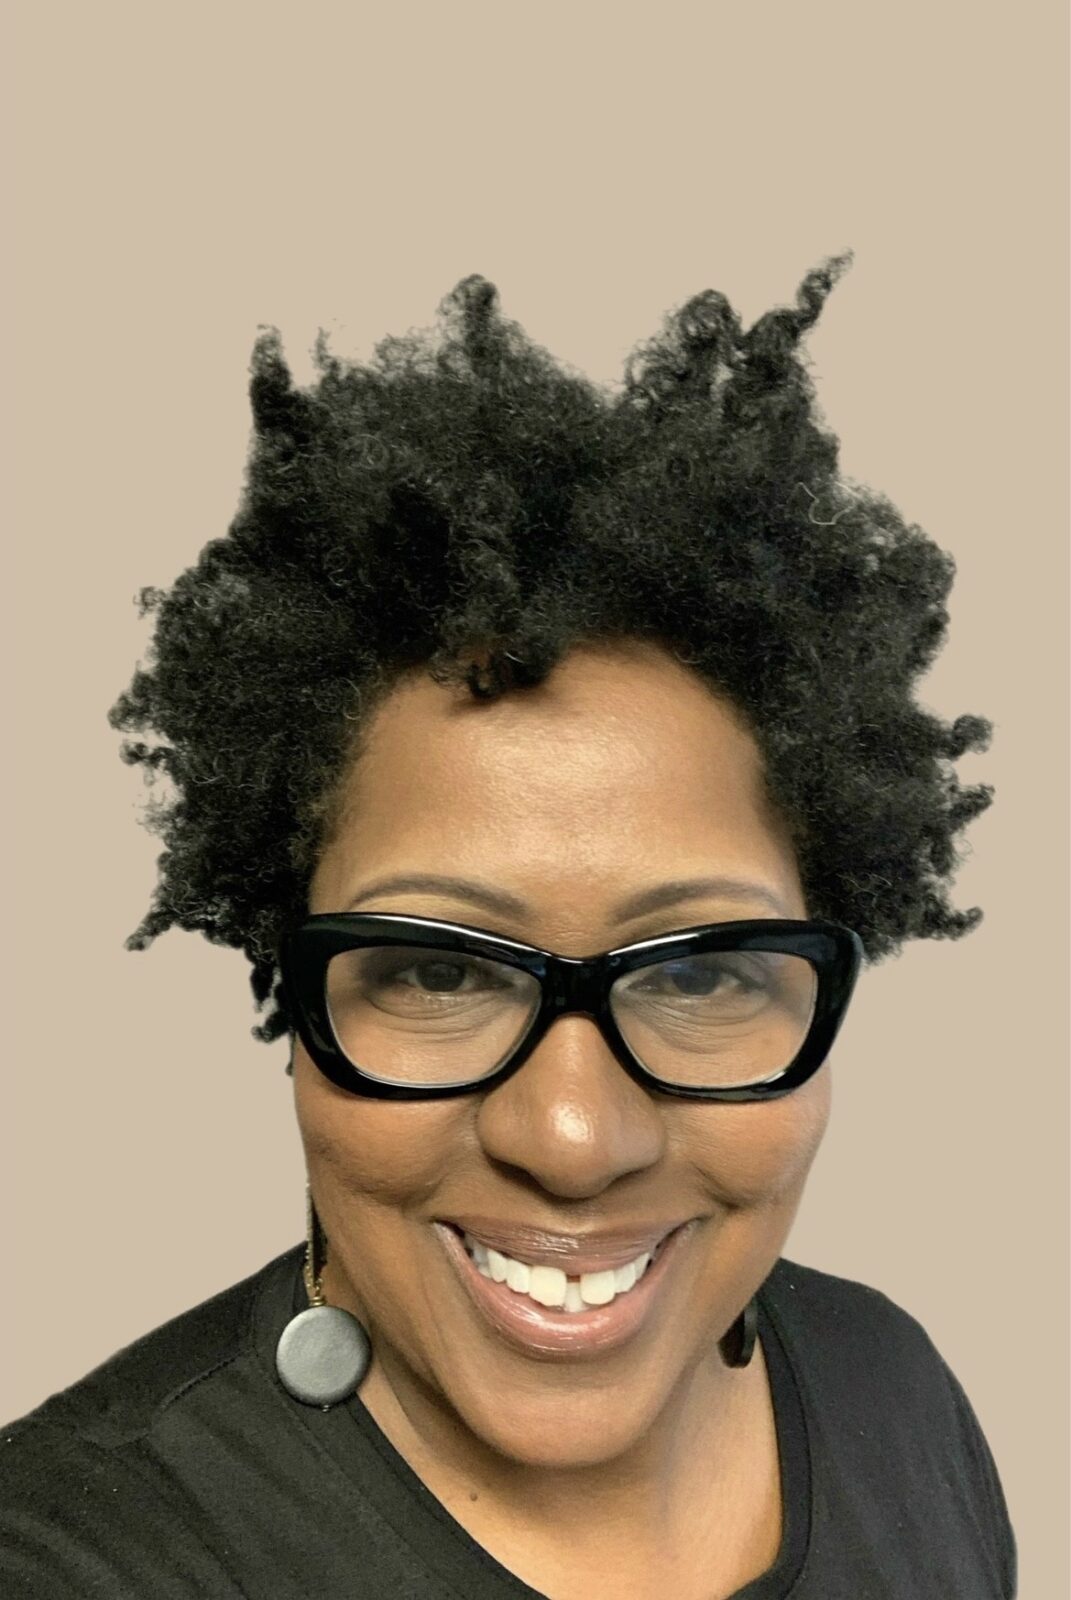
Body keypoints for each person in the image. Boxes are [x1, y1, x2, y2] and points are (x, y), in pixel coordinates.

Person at [1, 254, 1017, 1599]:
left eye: (701, 974)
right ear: (292, 990)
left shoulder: (890, 1389)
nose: (574, 1138)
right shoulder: (79, 1560)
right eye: (438, 971)